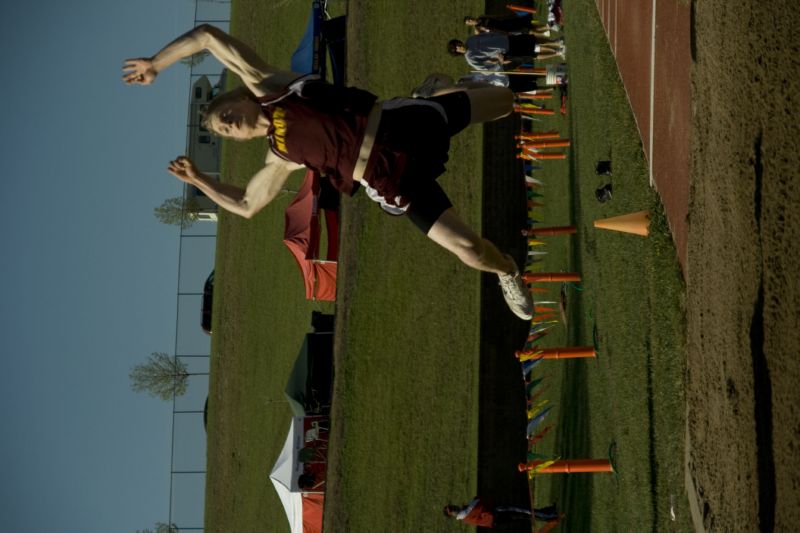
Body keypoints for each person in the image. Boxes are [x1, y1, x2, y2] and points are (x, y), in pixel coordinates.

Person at [122, 24, 534, 320]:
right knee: (468, 249)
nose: (227, 124)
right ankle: (509, 272)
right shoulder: (280, 156)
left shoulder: (274, 88)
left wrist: (158, 62)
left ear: (243, 98)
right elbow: (247, 205)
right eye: (222, 130)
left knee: (504, 101)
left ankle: (436, 93)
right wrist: (199, 181)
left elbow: (209, 37)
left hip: (402, 126)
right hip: (391, 180)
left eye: (225, 114)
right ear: (240, 140)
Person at [448, 32, 565, 72]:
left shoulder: (470, 39)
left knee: (533, 39)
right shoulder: (470, 59)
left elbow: (487, 35)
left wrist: (501, 35)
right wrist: (500, 62)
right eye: (457, 49)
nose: (459, 46)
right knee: (533, 55)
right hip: (507, 52)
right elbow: (485, 69)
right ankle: (558, 53)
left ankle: (556, 42)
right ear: (458, 53)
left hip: (507, 39)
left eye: (457, 44)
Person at [443, 496, 559, 527]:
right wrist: (473, 501)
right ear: (452, 515)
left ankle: (547, 513)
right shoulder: (463, 514)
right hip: (496, 513)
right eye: (452, 510)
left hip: (495, 518)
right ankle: (550, 515)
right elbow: (477, 502)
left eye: (452, 506)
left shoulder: (463, 515)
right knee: (522, 511)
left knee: (523, 514)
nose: (454, 508)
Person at [464, 14, 555, 38]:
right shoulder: (478, 30)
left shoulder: (481, 17)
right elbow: (489, 36)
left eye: (469, 18)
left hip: (506, 22)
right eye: (469, 21)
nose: (470, 20)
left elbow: (495, 16)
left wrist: (507, 16)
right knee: (527, 31)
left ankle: (547, 27)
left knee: (528, 25)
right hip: (505, 31)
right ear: (469, 25)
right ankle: (544, 34)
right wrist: (505, 34)